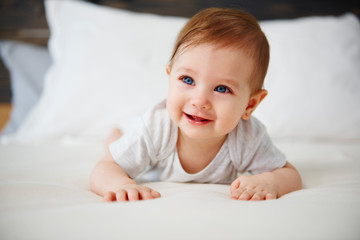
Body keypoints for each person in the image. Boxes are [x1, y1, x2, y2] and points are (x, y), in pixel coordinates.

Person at [90, 8, 302, 202]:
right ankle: (117, 133)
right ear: (170, 76)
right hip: (139, 127)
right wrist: (122, 184)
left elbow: (290, 175)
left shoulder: (247, 138)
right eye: (188, 80)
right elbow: (106, 167)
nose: (199, 101)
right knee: (118, 143)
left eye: (221, 89)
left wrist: (270, 182)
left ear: (250, 104)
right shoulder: (156, 128)